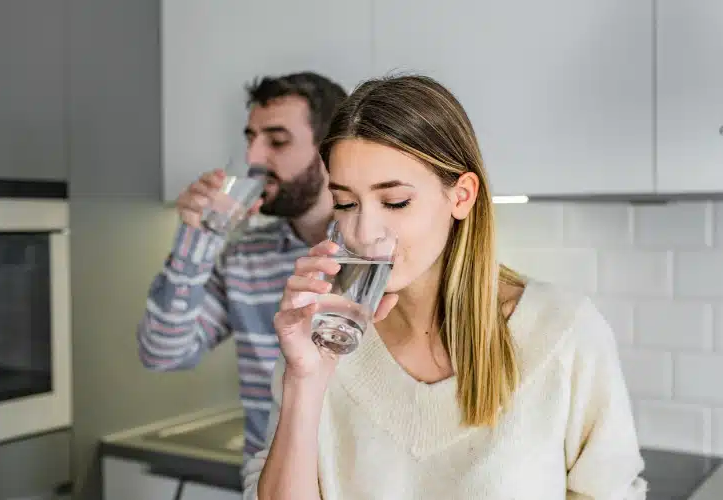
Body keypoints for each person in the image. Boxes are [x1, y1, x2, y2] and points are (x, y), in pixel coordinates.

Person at [242, 74, 648, 499]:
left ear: (462, 196)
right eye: (346, 203)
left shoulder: (564, 331)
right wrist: (304, 382)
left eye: (395, 201)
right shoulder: (327, 338)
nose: (363, 231)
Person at [136, 71, 348, 463]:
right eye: (251, 139)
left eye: (277, 141)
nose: (253, 159)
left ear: (330, 149)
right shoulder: (245, 256)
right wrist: (196, 239)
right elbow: (162, 352)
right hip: (266, 479)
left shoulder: (375, 259)